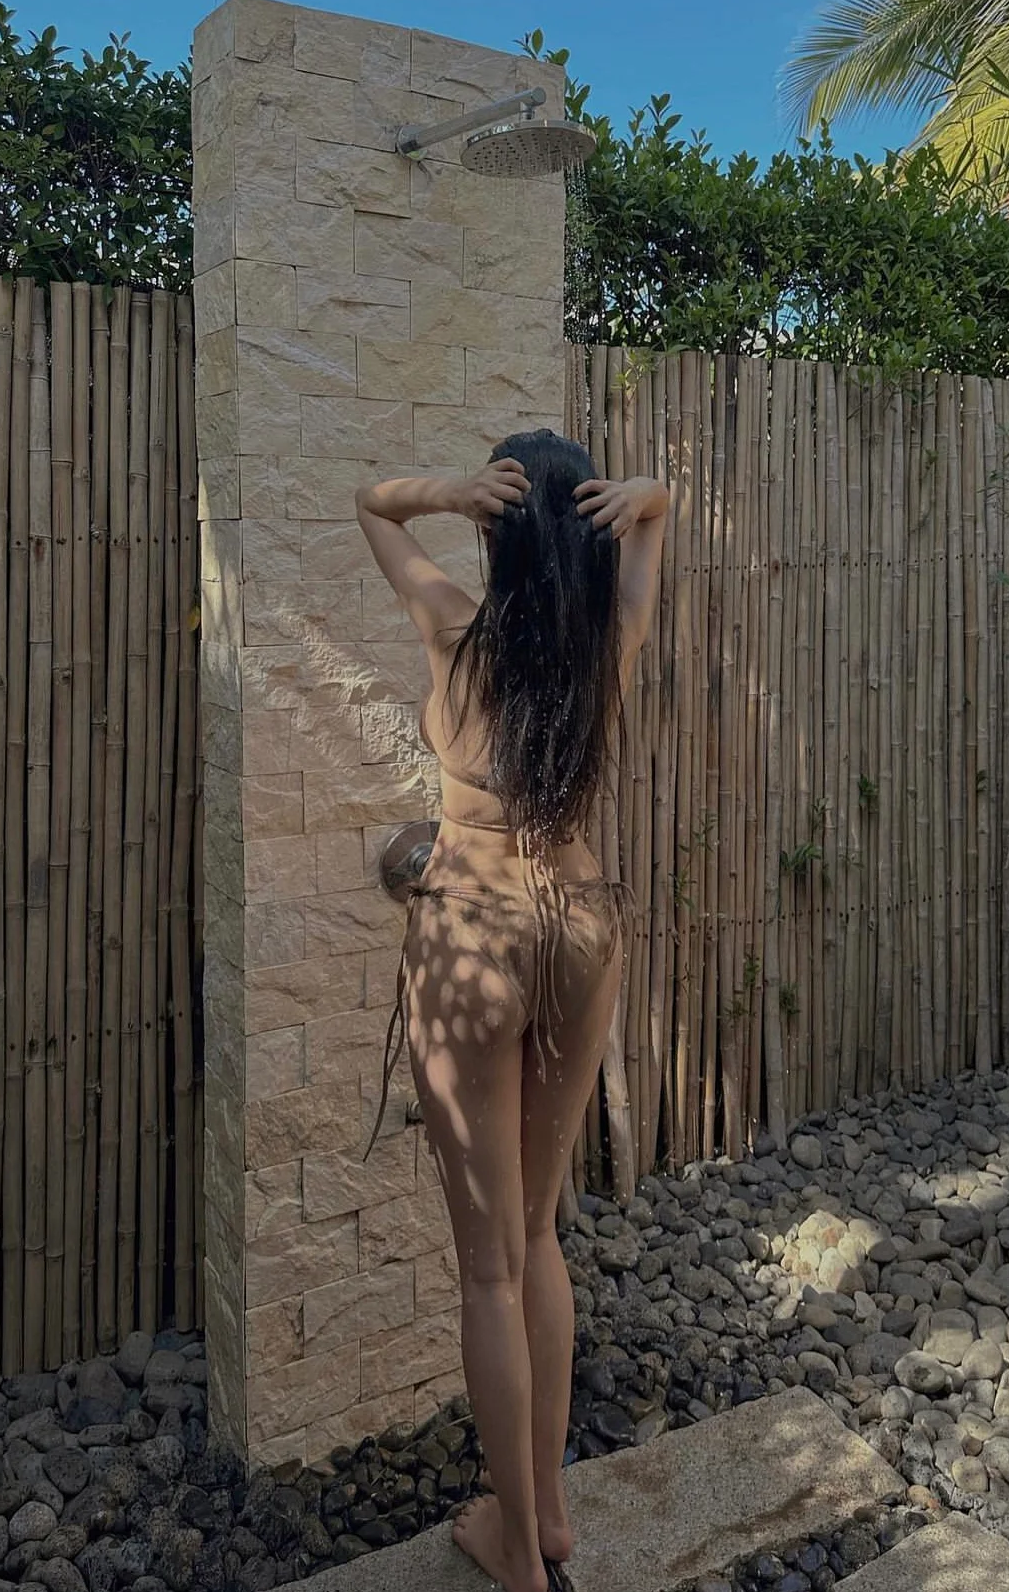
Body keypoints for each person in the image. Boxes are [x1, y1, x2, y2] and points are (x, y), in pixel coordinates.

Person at [355, 430, 668, 1592]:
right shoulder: (610, 641)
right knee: (538, 1235)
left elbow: (371, 504)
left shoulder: (453, 628)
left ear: (493, 533)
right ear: (586, 536)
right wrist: (649, 496)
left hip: (472, 934)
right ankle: (549, 1512)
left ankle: (518, 1557)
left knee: (488, 1266)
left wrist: (444, 490)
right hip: (579, 928)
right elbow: (658, 519)